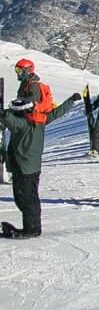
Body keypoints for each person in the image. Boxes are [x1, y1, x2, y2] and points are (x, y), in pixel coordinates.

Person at [2, 61, 50, 238]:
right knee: (25, 193)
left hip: (26, 154)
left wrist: (7, 114)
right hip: (25, 154)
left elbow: (25, 111)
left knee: (26, 194)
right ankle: (31, 227)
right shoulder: (26, 84)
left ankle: (32, 229)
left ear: (28, 70)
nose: (17, 73)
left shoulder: (33, 87)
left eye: (19, 70)